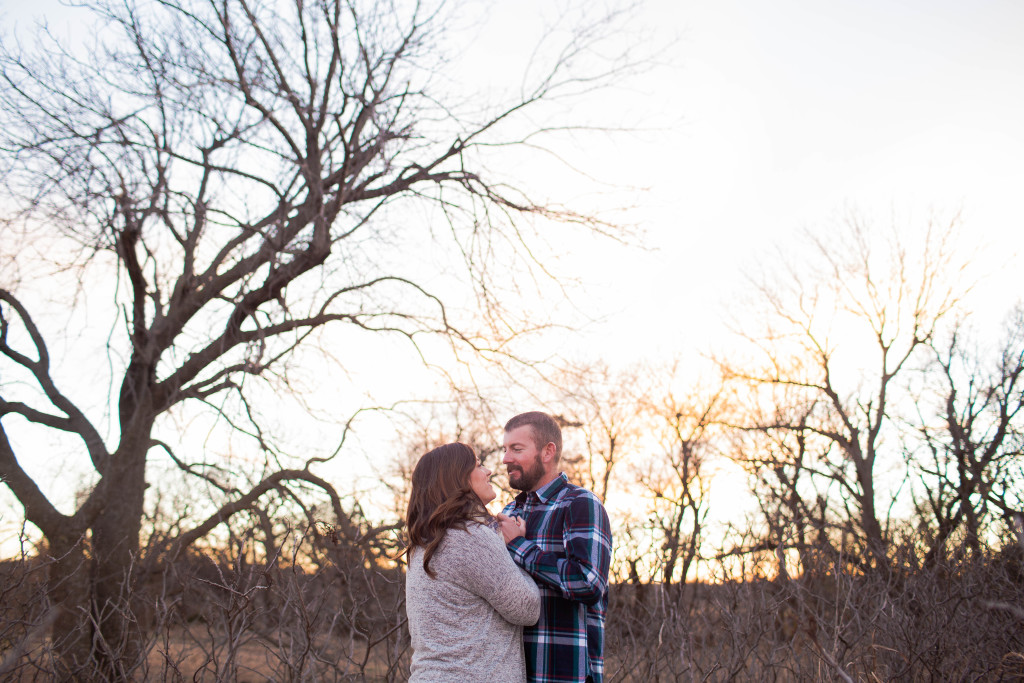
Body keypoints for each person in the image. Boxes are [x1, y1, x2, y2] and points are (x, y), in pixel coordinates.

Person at [405, 442, 541, 682]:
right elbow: (527, 609)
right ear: (457, 479)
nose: (488, 471)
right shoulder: (469, 537)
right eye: (478, 465)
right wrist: (516, 544)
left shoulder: (427, 541)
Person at [496, 412, 613, 683]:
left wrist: (518, 546)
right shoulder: (508, 511)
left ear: (548, 452)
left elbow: (588, 582)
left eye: (516, 449)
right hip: (510, 674)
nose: (505, 458)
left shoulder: (580, 504)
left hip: (563, 673)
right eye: (505, 449)